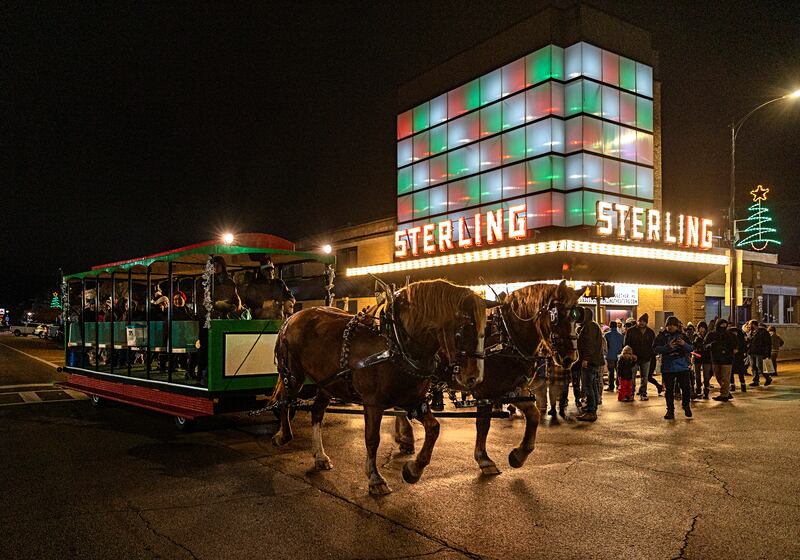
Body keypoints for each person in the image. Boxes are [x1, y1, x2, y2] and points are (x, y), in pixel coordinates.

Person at [654, 316, 694, 419]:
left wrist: (684, 344)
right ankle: (670, 410)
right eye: (669, 325)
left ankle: (686, 405)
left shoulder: (683, 336)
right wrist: (668, 347)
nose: (670, 327)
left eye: (673, 325)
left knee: (686, 388)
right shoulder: (661, 336)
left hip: (682, 366)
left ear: (677, 326)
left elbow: (691, 348)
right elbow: (655, 348)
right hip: (668, 367)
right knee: (669, 390)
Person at [576, 307, 604, 422]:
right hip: (594, 361)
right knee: (592, 385)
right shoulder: (592, 325)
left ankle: (591, 411)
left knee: (589, 386)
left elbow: (589, 344)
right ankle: (591, 407)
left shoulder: (589, 327)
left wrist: (586, 359)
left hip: (590, 362)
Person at [624, 313, 658, 400]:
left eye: (644, 321)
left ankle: (643, 393)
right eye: (640, 321)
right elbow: (626, 344)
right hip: (633, 358)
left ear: (646, 322)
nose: (642, 323)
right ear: (637, 321)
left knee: (645, 377)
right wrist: (631, 354)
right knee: (632, 376)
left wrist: (651, 355)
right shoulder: (631, 331)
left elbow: (653, 345)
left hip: (646, 358)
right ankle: (631, 393)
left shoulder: (650, 332)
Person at [704, 318, 736, 402]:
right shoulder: (711, 334)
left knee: (725, 377)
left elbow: (734, 345)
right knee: (718, 376)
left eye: (725, 325)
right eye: (722, 325)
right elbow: (705, 345)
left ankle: (724, 394)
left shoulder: (729, 335)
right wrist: (711, 345)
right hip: (716, 359)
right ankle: (726, 391)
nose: (723, 327)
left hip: (727, 359)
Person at [748, 321, 773, 387]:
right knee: (753, 367)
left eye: (750, 324)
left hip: (760, 352)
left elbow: (768, 343)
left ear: (753, 325)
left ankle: (768, 378)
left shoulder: (763, 332)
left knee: (760, 367)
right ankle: (755, 381)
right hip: (751, 352)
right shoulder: (751, 332)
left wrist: (767, 353)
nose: (748, 326)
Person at [692, 322, 713, 399]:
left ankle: (706, 390)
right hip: (697, 357)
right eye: (700, 327)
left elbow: (710, 346)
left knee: (706, 375)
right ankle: (698, 389)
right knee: (697, 374)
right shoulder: (695, 336)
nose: (701, 329)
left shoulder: (708, 336)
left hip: (706, 357)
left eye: (703, 327)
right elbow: (693, 346)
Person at [604, 321, 624, 392]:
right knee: (618, 372)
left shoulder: (606, 335)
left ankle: (611, 386)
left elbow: (605, 346)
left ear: (610, 326)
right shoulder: (621, 336)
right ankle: (619, 385)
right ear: (616, 326)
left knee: (611, 372)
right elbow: (622, 346)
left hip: (610, 355)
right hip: (618, 356)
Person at [729, 323, 748, 393]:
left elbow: (744, 347)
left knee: (740, 372)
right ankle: (732, 385)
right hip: (732, 358)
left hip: (739, 358)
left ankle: (742, 385)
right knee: (731, 372)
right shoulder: (730, 338)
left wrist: (739, 350)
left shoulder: (740, 338)